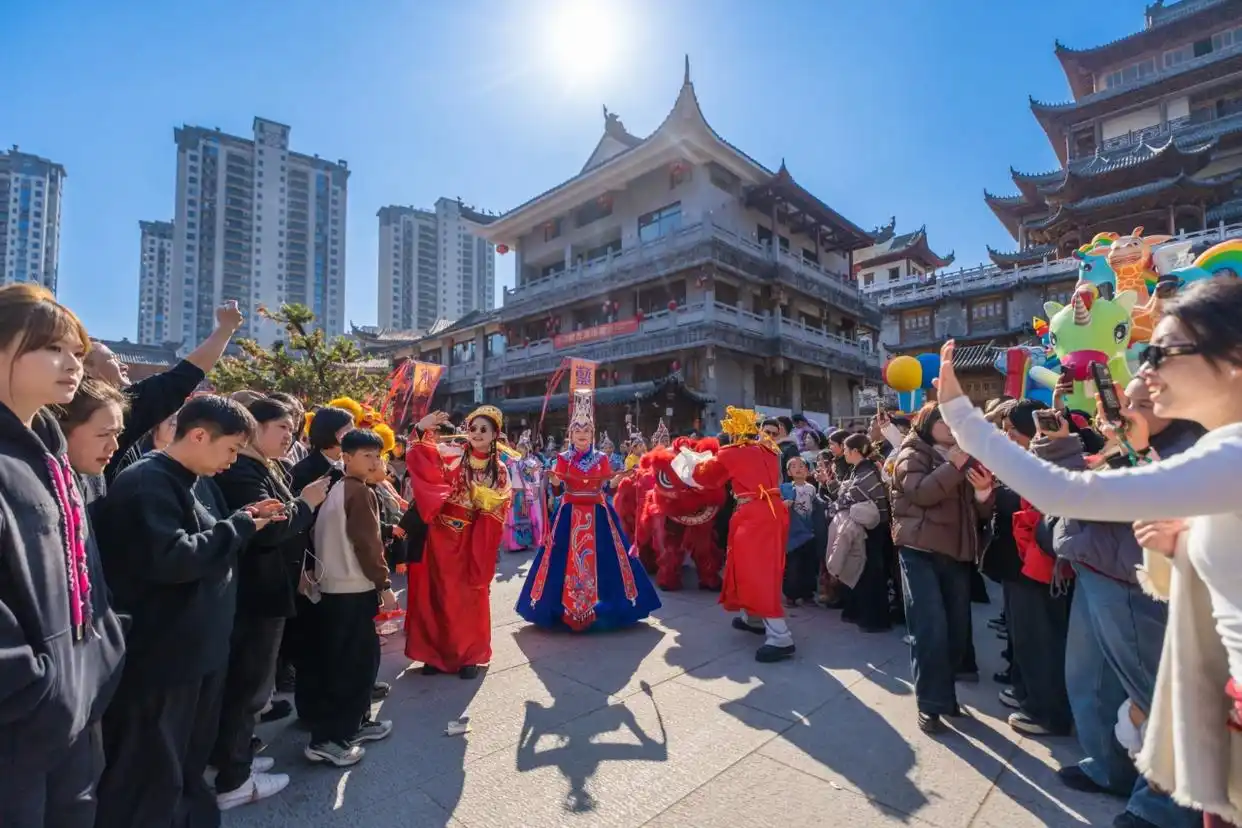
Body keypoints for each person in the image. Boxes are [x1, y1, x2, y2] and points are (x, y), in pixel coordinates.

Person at [932, 276, 1242, 827]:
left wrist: (959, 414)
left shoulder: (1231, 453)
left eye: (1162, 353)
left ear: (1234, 357)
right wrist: (1183, 545)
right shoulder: (1221, 449)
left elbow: (1066, 491)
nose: (1142, 374)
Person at [93, 395, 285, 828]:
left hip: (199, 649)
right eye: (231, 449)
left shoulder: (196, 477)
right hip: (164, 657)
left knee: (186, 758)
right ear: (199, 435)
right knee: (153, 767)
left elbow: (209, 532)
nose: (233, 461)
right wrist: (238, 526)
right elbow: (172, 556)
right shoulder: (148, 482)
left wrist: (244, 516)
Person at [1030, 383, 1202, 828]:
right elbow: (1072, 488)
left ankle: (1165, 808)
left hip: (1131, 575)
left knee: (1155, 694)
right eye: (1125, 400)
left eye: (1141, 402)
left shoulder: (1190, 447)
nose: (1125, 409)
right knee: (1090, 683)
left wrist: (1133, 452)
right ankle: (1111, 768)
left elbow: (1123, 499)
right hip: (1094, 564)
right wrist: (1062, 441)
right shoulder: (1126, 441)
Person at [0, 286, 127, 828]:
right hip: (22, 722)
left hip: (76, 701)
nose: (72, 363)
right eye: (52, 347)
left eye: (77, 351)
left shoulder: (51, 451)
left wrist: (100, 653)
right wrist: (35, 685)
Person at [209, 398, 330, 808]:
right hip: (255, 595)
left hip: (265, 589)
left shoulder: (263, 465)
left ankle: (232, 760)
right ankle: (233, 779)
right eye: (281, 427)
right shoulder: (244, 470)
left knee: (248, 687)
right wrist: (308, 503)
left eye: (292, 428)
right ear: (254, 427)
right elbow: (268, 531)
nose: (289, 435)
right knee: (248, 688)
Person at [890, 402, 996, 734]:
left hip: (957, 552)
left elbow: (979, 513)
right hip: (920, 549)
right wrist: (954, 465)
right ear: (928, 422)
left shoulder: (962, 455)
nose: (952, 428)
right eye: (945, 421)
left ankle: (945, 696)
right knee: (930, 628)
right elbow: (920, 493)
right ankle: (931, 705)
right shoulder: (913, 454)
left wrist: (983, 493)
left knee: (956, 630)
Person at [517, 390, 661, 630]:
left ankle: (610, 608)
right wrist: (551, 478)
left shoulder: (602, 459)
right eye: (577, 431)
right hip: (569, 511)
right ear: (570, 435)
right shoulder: (562, 458)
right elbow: (556, 488)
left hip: (598, 511)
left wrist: (626, 477)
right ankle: (558, 608)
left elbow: (607, 484)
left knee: (608, 559)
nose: (582, 435)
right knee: (559, 560)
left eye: (586, 431)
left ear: (592, 434)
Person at [302, 429, 397, 767]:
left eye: (377, 455)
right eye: (367, 455)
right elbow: (367, 545)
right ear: (347, 457)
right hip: (352, 589)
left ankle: (354, 725)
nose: (375, 462)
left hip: (335, 588)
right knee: (351, 667)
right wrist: (384, 586)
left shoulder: (336, 487)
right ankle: (329, 739)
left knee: (354, 661)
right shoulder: (358, 491)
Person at [83, 301, 244, 495]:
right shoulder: (111, 409)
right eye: (113, 359)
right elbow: (182, 378)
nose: (124, 365)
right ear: (86, 370)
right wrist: (226, 329)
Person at [674, 406, 793, 662]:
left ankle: (780, 636)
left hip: (754, 517)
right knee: (757, 568)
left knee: (756, 572)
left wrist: (687, 458)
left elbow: (703, 478)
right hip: (771, 513)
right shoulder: (770, 451)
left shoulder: (733, 453)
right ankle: (753, 617)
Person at [404, 406, 512, 678]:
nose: (476, 434)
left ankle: (468, 657)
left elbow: (499, 506)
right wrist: (421, 427)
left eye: (483, 430)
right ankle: (434, 655)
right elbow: (421, 454)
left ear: (494, 435)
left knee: (468, 598)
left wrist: (486, 506)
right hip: (440, 537)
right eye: (473, 428)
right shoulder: (452, 456)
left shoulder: (498, 469)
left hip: (472, 539)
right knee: (436, 595)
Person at [836, 432, 892, 633]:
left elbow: (849, 497)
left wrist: (840, 497)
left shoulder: (866, 472)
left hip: (872, 529)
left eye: (846, 449)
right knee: (867, 572)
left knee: (870, 574)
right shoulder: (864, 469)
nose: (843, 453)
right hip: (872, 527)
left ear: (855, 451)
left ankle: (874, 620)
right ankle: (864, 615)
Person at [780, 455, 826, 606]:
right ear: (789, 472)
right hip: (793, 534)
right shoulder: (785, 488)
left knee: (809, 566)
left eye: (802, 466)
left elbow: (817, 507)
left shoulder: (812, 488)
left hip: (810, 532)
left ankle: (808, 594)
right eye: (794, 466)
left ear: (807, 470)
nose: (798, 469)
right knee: (792, 566)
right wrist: (784, 504)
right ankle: (791, 595)